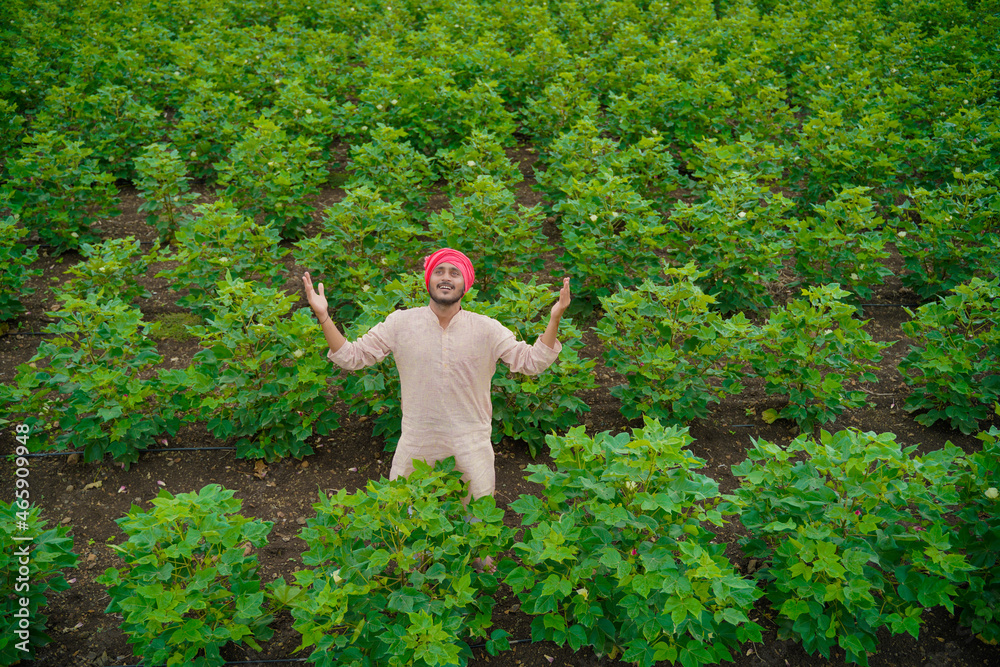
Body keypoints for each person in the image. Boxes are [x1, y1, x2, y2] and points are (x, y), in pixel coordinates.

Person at [302, 247, 571, 501]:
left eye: (455, 273)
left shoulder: (486, 328)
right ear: (428, 280)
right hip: (418, 442)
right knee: (405, 519)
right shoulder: (401, 323)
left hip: (470, 444)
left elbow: (531, 362)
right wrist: (324, 316)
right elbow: (352, 357)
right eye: (439, 271)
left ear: (466, 285)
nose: (446, 278)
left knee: (476, 523)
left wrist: (555, 317)